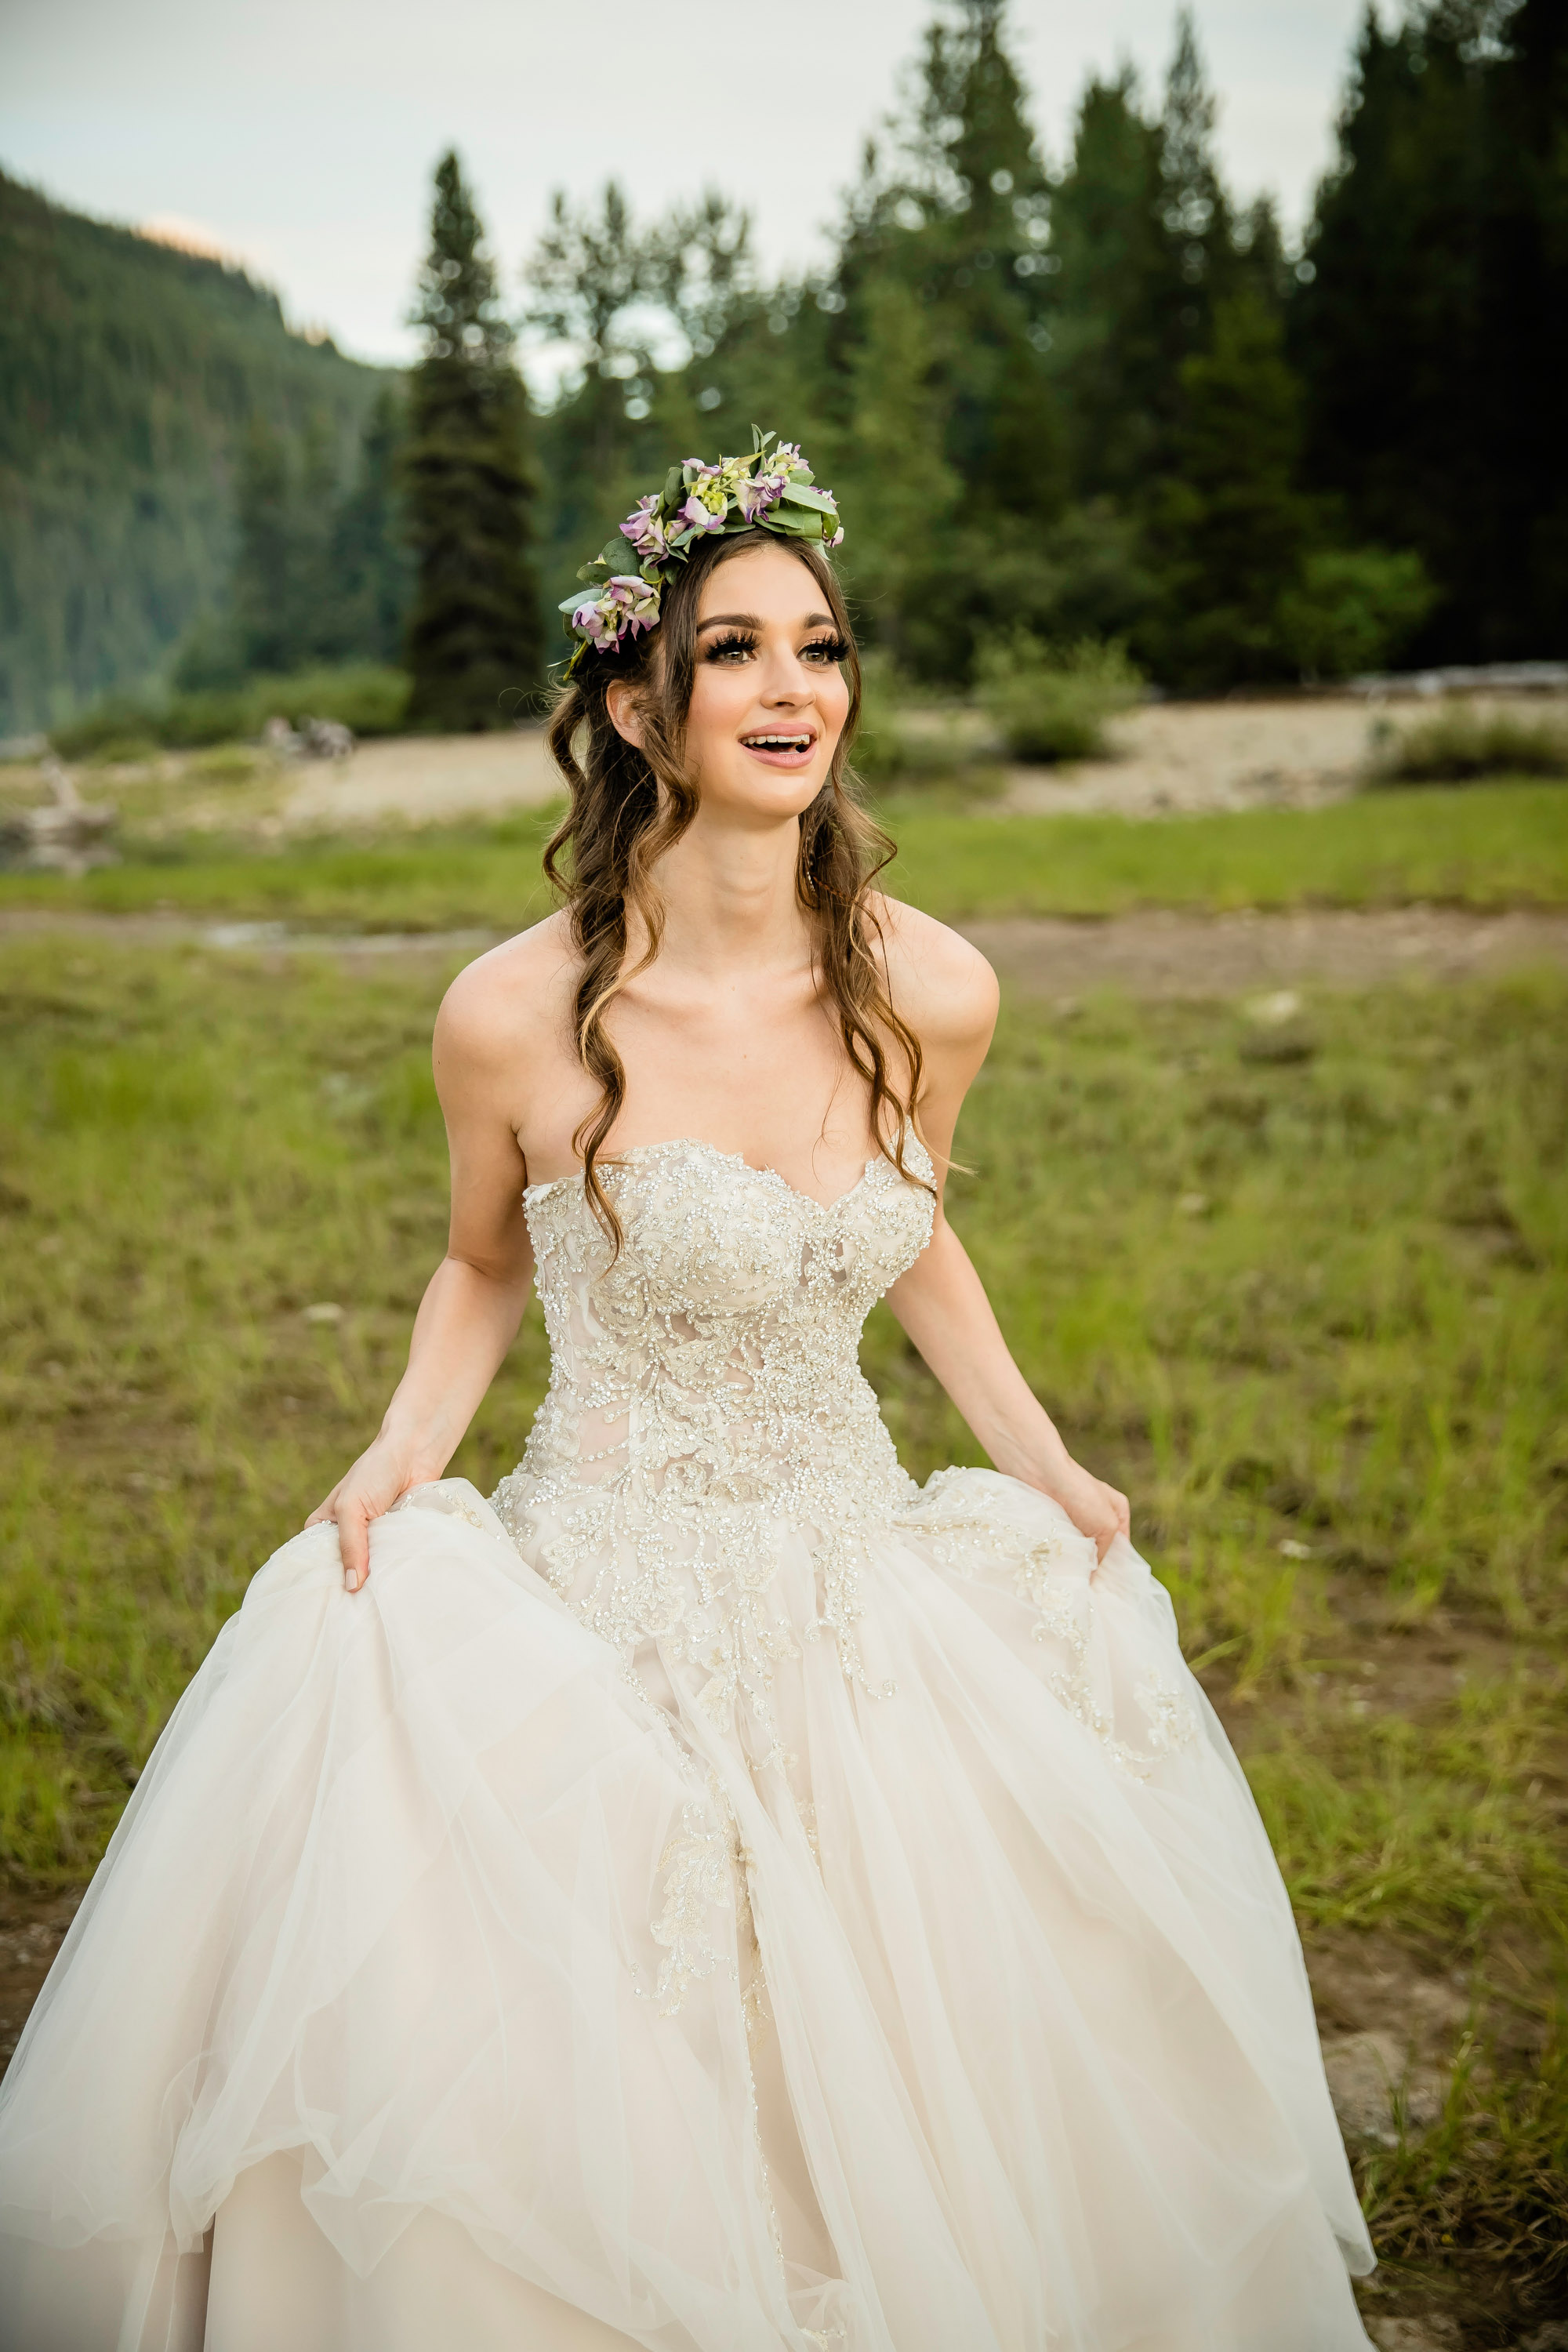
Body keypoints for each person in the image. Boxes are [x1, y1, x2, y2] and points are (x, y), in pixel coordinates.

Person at [0, 437, 1375, 2350]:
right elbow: (486, 1261)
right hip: (605, 1582)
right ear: (643, 707)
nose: (792, 686)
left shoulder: (935, 988)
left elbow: (910, 1233)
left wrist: (1040, 1458)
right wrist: (403, 1452)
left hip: (851, 1576)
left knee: (932, 2048)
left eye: (819, 644)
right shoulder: (513, 1012)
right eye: (733, 650)